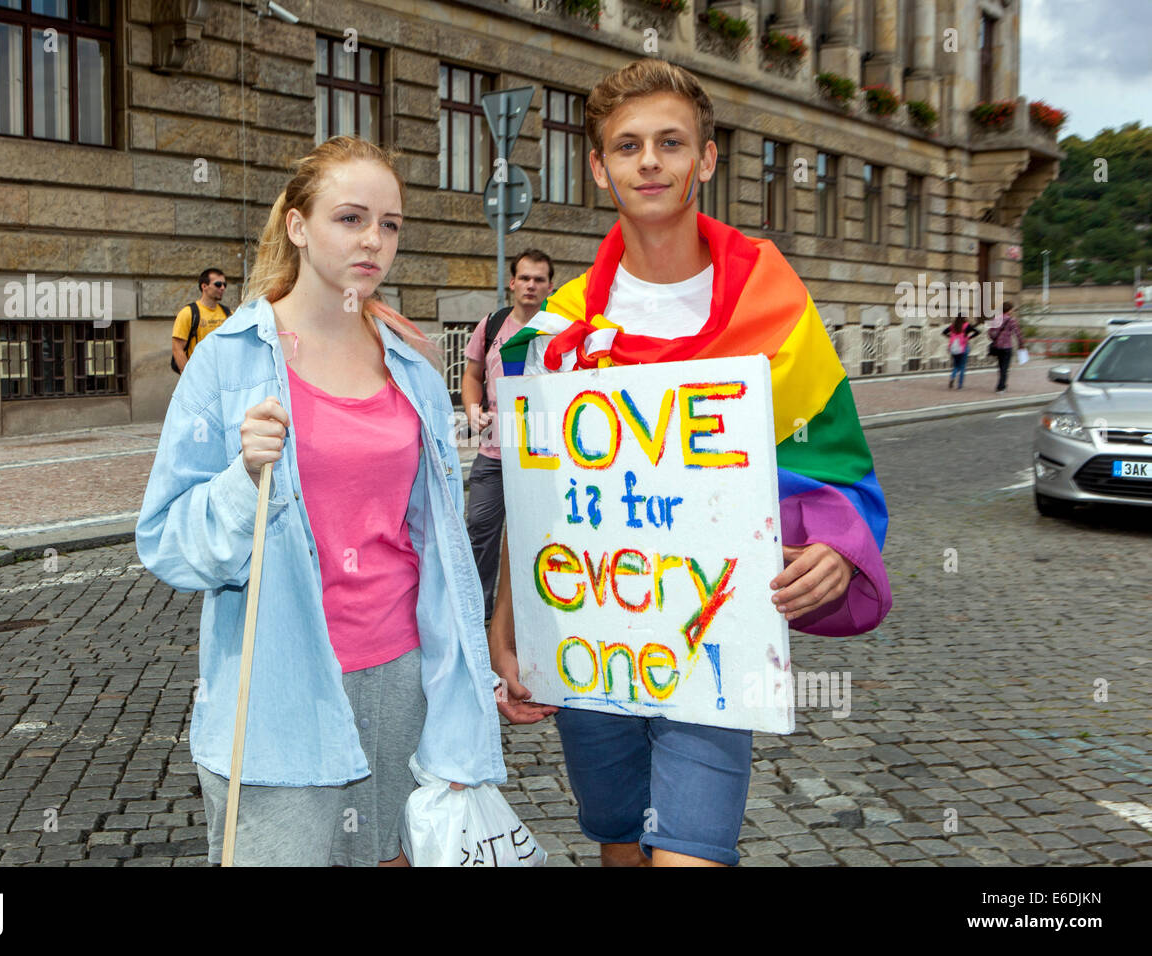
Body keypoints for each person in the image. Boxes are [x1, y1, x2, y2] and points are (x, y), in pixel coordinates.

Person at [489, 59, 893, 868]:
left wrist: (838, 553)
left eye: (671, 142)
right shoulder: (559, 331)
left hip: (718, 646)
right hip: (593, 636)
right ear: (599, 167)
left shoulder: (771, 305)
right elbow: (537, 500)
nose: (650, 161)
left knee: (691, 853)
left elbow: (833, 463)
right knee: (618, 843)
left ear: (705, 159)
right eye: (628, 145)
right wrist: (508, 626)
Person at [136, 136, 504, 867]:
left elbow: (439, 543)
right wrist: (243, 481)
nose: (374, 239)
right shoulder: (230, 359)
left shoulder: (412, 367)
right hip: (279, 686)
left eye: (391, 223)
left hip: (401, 678)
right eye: (351, 218)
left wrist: (476, 669)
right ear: (298, 226)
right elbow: (169, 544)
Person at [462, 249, 555, 619]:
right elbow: (471, 376)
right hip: (494, 451)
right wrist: (472, 410)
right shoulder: (492, 324)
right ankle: (478, 616)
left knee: (537, 538)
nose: (531, 285)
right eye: (525, 278)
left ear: (550, 285)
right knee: (480, 533)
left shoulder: (558, 329)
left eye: (540, 279)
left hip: (542, 456)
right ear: (512, 282)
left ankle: (531, 618)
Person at [171, 268, 233, 374]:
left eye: (224, 284)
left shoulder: (229, 314)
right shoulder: (189, 313)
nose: (222, 288)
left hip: (223, 376)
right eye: (218, 284)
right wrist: (188, 376)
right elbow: (177, 348)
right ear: (204, 286)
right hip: (199, 375)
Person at [987, 300, 1024, 392]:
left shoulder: (996, 319)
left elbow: (990, 332)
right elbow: (1017, 333)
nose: (1012, 311)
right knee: (1005, 367)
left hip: (997, 346)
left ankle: (1001, 384)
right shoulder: (1012, 320)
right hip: (1007, 346)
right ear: (1009, 310)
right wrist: (1021, 343)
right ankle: (1001, 386)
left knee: (1000, 367)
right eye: (1012, 309)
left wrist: (994, 339)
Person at [942, 311, 979, 389]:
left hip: (954, 347)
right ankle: (960, 385)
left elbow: (944, 332)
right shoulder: (967, 325)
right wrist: (968, 337)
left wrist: (951, 337)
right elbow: (977, 332)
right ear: (965, 318)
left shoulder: (953, 326)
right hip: (964, 347)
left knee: (956, 365)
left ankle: (952, 377)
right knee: (962, 366)